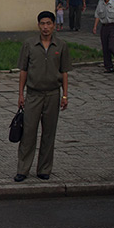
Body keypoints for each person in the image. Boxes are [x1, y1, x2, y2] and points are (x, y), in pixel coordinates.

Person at [14, 11, 71, 182]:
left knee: (49, 133)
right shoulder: (30, 44)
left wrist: (65, 95)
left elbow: (64, 72)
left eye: (49, 24)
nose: (45, 27)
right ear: (38, 25)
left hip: (53, 94)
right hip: (33, 94)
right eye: (42, 24)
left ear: (54, 25)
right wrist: (21, 93)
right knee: (28, 133)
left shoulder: (61, 46)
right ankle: (23, 169)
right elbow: (23, 70)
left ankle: (44, 169)